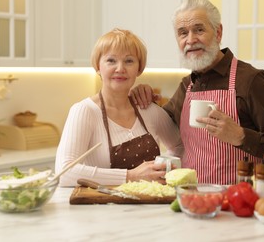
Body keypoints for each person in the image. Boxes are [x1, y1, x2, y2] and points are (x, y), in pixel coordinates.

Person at [130, 0, 264, 185]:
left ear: (218, 33)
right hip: (191, 199)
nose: (191, 40)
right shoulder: (187, 85)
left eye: (199, 29)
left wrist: (242, 136)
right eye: (183, 33)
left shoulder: (251, 81)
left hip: (240, 201)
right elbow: (163, 124)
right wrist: (144, 94)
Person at [55, 28, 184, 187]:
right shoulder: (84, 111)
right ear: (98, 67)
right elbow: (64, 173)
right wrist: (131, 176)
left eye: (129, 61)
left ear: (139, 68)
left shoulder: (148, 109)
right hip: (103, 209)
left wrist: (166, 169)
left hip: (152, 206)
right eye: (111, 60)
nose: (120, 68)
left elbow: (180, 146)